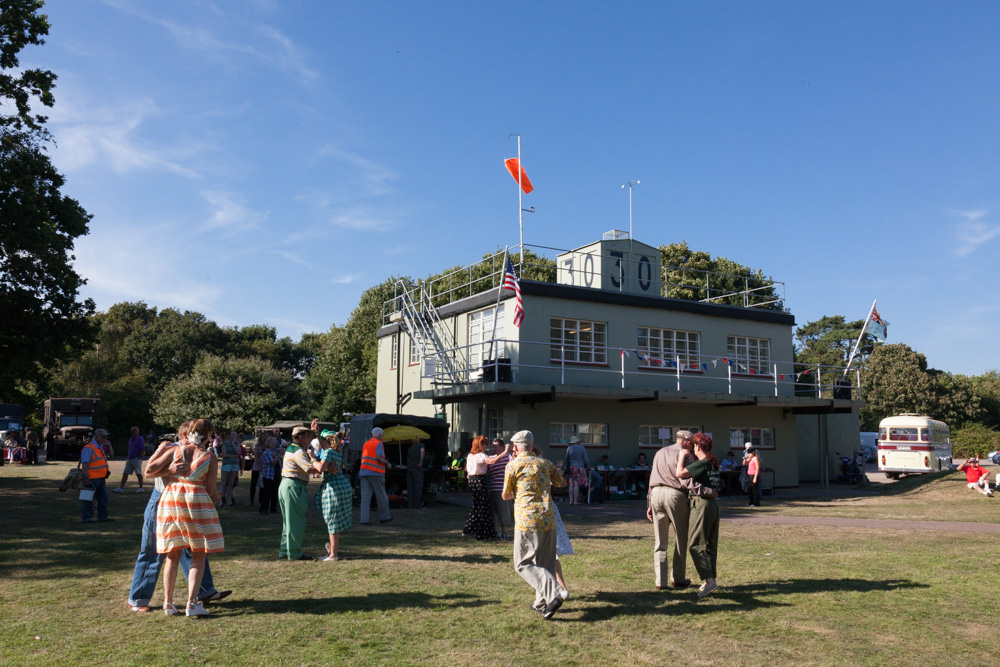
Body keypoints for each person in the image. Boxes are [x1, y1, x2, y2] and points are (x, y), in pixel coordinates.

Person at [127, 422, 231, 612]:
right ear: (185, 434)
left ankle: (201, 592)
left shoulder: (183, 450)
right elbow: (149, 470)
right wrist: (170, 470)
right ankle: (139, 599)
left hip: (176, 503)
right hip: (163, 500)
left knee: (185, 551)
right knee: (154, 550)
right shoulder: (170, 448)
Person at [152, 418, 224, 617]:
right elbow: (210, 489)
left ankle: (168, 603)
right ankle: (191, 604)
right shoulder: (209, 456)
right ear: (206, 435)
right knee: (198, 553)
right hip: (196, 501)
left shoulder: (174, 451)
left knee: (172, 554)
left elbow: (150, 470)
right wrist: (216, 496)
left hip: (171, 501)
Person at [502, 430, 567, 620]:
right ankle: (542, 603)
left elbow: (506, 495)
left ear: (515, 447)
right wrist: (559, 472)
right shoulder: (545, 463)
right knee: (545, 563)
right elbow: (561, 482)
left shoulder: (513, 466)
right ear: (532, 445)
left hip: (526, 520)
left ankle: (555, 593)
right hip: (547, 519)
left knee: (522, 564)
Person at [646, 430, 716, 590]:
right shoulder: (686, 455)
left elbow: (652, 477)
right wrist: (707, 491)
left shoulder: (660, 451)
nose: (693, 447)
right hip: (675, 495)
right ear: (687, 441)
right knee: (681, 537)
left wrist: (649, 503)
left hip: (656, 493)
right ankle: (677, 578)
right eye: (693, 443)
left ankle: (660, 582)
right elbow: (685, 481)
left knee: (660, 541)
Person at [677, 432, 721, 597]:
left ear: (697, 446)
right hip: (712, 505)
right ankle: (711, 581)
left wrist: (682, 456)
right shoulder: (712, 464)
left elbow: (680, 474)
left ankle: (709, 581)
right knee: (710, 545)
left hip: (701, 504)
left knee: (695, 545)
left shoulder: (701, 463)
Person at [279, 421, 323, 560]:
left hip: (287, 485)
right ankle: (294, 552)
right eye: (308, 435)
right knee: (296, 521)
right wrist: (325, 467)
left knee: (288, 522)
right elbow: (309, 468)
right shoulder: (298, 451)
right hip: (294, 486)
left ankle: (285, 550)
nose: (311, 438)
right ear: (301, 437)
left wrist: (314, 432)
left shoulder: (293, 447)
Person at [462, 435, 509, 540]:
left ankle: (468, 530)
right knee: (481, 508)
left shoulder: (470, 455)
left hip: (473, 480)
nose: (487, 447)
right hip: (479, 481)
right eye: (485, 444)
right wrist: (505, 452)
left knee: (478, 506)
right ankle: (480, 533)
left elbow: (467, 469)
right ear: (480, 445)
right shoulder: (480, 455)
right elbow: (492, 461)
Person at [315, 430, 352, 561]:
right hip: (343, 486)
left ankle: (333, 555)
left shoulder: (329, 452)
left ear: (327, 441)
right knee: (336, 519)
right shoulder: (336, 452)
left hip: (334, 488)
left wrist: (312, 460)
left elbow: (320, 468)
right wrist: (316, 432)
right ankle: (331, 547)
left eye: (321, 440)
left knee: (333, 521)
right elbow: (321, 440)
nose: (319, 443)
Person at [359, 427, 394, 525]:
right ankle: (385, 516)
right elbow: (378, 457)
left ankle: (364, 519)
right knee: (382, 496)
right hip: (376, 472)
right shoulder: (379, 443)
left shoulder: (366, 444)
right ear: (379, 435)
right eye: (382, 436)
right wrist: (387, 463)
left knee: (365, 498)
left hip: (364, 472)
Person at [80, 428, 112, 523]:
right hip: (91, 479)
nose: (105, 439)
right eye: (103, 436)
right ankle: (87, 519)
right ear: (97, 437)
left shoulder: (99, 447)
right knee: (87, 499)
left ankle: (102, 517)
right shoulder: (88, 448)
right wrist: (86, 476)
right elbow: (84, 463)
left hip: (100, 478)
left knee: (103, 498)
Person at [487, 437, 514, 540]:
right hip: (492, 488)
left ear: (502, 446)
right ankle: (494, 531)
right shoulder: (492, 457)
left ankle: (504, 532)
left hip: (503, 489)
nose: (494, 449)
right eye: (492, 446)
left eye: (496, 446)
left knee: (503, 511)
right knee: (492, 512)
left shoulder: (508, 457)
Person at [115, 426, 147, 493]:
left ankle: (141, 487)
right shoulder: (130, 439)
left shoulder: (140, 439)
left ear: (138, 431)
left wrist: (139, 457)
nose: (134, 431)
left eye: (135, 430)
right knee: (125, 473)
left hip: (136, 458)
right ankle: (121, 488)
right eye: (133, 430)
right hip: (130, 458)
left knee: (138, 473)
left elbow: (142, 449)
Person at [218, 430, 243, 507]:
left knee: (231, 484)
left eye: (235, 435)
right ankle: (221, 500)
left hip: (235, 465)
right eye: (232, 434)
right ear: (229, 435)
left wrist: (233, 445)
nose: (233, 436)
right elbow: (225, 454)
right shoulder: (225, 443)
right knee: (224, 483)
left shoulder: (237, 443)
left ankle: (229, 500)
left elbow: (239, 453)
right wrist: (234, 456)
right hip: (226, 465)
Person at [564, 435, 590, 506]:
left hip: (572, 467)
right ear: (578, 441)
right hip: (580, 467)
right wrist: (588, 465)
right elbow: (585, 459)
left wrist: (564, 467)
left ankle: (571, 500)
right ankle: (575, 501)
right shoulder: (582, 448)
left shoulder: (569, 448)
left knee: (571, 484)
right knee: (576, 484)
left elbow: (566, 458)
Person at [258, 437, 279, 514]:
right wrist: (279, 455)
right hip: (268, 475)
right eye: (272, 442)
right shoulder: (266, 452)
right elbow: (272, 462)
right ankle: (263, 509)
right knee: (267, 493)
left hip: (276, 475)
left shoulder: (276, 452)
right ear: (268, 444)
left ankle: (273, 509)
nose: (273, 444)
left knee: (274, 492)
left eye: (274, 442)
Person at [405, 437, 425, 509]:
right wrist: (420, 462)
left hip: (409, 468)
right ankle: (417, 504)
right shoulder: (420, 445)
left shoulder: (410, 448)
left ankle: (410, 505)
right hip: (417, 469)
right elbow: (422, 452)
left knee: (410, 487)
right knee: (418, 486)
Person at [249, 434, 265, 506]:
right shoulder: (257, 446)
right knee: (253, 483)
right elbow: (256, 456)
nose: (263, 439)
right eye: (262, 437)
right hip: (256, 467)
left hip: (265, 468)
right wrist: (260, 465)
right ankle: (251, 500)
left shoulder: (268, 446)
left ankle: (260, 501)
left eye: (265, 437)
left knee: (262, 485)